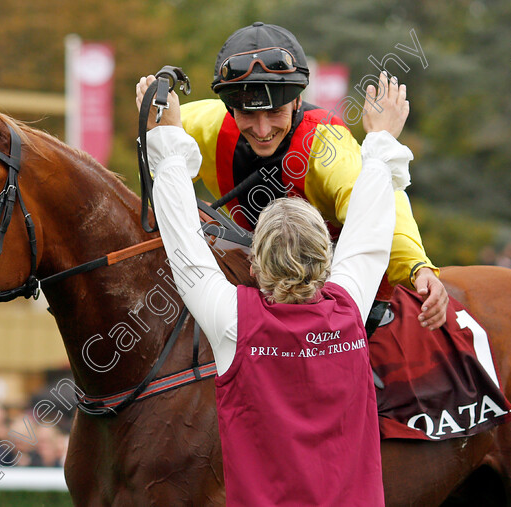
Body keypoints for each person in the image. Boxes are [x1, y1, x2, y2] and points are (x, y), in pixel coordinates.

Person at [135, 65, 413, 505]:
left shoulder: (233, 322)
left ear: (257, 262)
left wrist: (167, 140)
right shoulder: (349, 307)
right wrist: (381, 140)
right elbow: (369, 227)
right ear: (327, 256)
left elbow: (185, 247)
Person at [178, 22, 447, 330]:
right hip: (256, 270)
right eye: (248, 114)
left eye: (275, 112)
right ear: (229, 107)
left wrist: (417, 266)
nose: (262, 130)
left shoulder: (326, 143)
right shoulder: (208, 124)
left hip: (337, 281)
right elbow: (160, 137)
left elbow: (381, 202)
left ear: (296, 100)